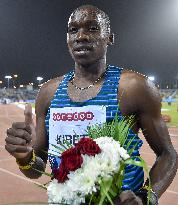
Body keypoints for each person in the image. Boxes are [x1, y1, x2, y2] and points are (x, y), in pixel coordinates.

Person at [5, 5, 177, 205]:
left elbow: (167, 154)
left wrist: (146, 197)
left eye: (92, 28)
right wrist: (25, 157)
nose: (81, 36)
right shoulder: (48, 93)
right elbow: (37, 168)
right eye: (73, 30)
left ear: (110, 38)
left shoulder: (134, 88)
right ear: (67, 39)